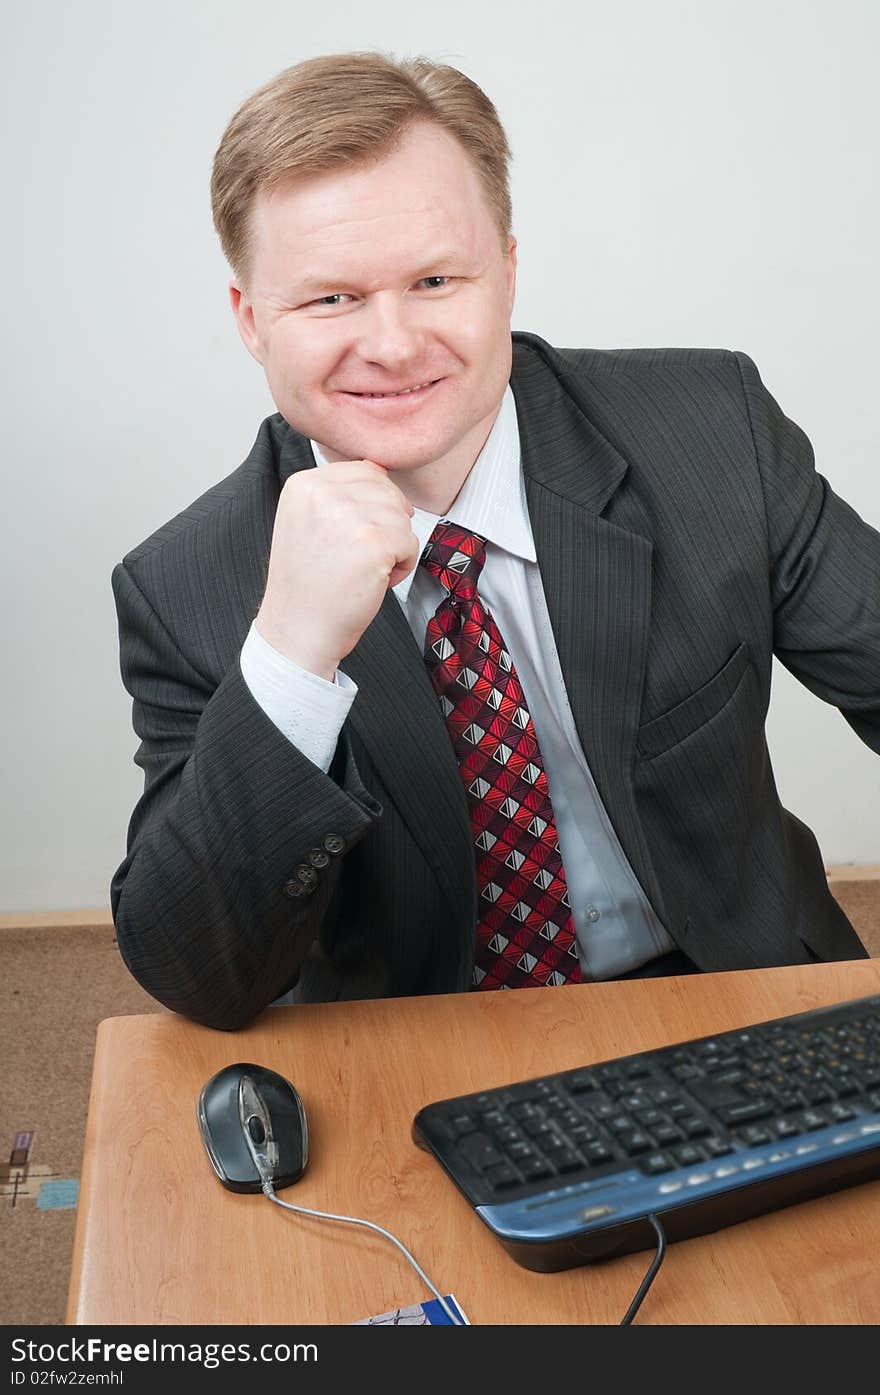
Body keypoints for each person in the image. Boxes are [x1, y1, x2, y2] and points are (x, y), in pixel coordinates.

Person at [111, 52, 878, 1031]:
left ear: (506, 274)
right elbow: (200, 975)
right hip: (422, 1055)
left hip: (734, 999)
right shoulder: (186, 588)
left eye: (434, 279)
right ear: (251, 320)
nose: (391, 344)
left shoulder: (709, 434)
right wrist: (291, 655)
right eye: (330, 299)